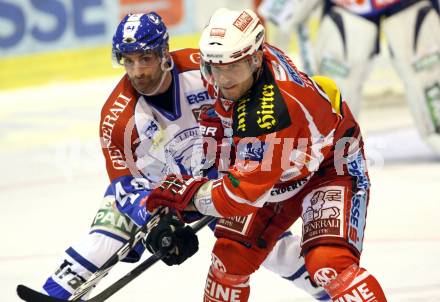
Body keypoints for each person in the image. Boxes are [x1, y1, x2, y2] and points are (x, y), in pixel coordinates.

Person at [40, 11, 328, 301]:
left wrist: (242, 164)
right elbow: (125, 185)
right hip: (160, 191)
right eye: (128, 60)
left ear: (164, 53)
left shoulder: (205, 69)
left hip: (216, 180)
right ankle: (53, 294)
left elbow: (251, 108)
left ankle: (332, 293)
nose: (137, 70)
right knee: (104, 239)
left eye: (146, 59)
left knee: (278, 251)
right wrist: (152, 219)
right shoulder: (117, 119)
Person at [145, 8, 388, 302]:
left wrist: (185, 195)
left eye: (232, 67)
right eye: (214, 68)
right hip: (278, 170)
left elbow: (238, 196)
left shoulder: (271, 112)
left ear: (256, 58)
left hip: (329, 165)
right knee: (228, 259)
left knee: (329, 265)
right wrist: (189, 199)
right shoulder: (245, 63)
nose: (222, 79)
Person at [258, 0, 440, 155]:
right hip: (349, 8)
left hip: (409, 6)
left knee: (426, 68)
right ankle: (330, 143)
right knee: (340, 74)